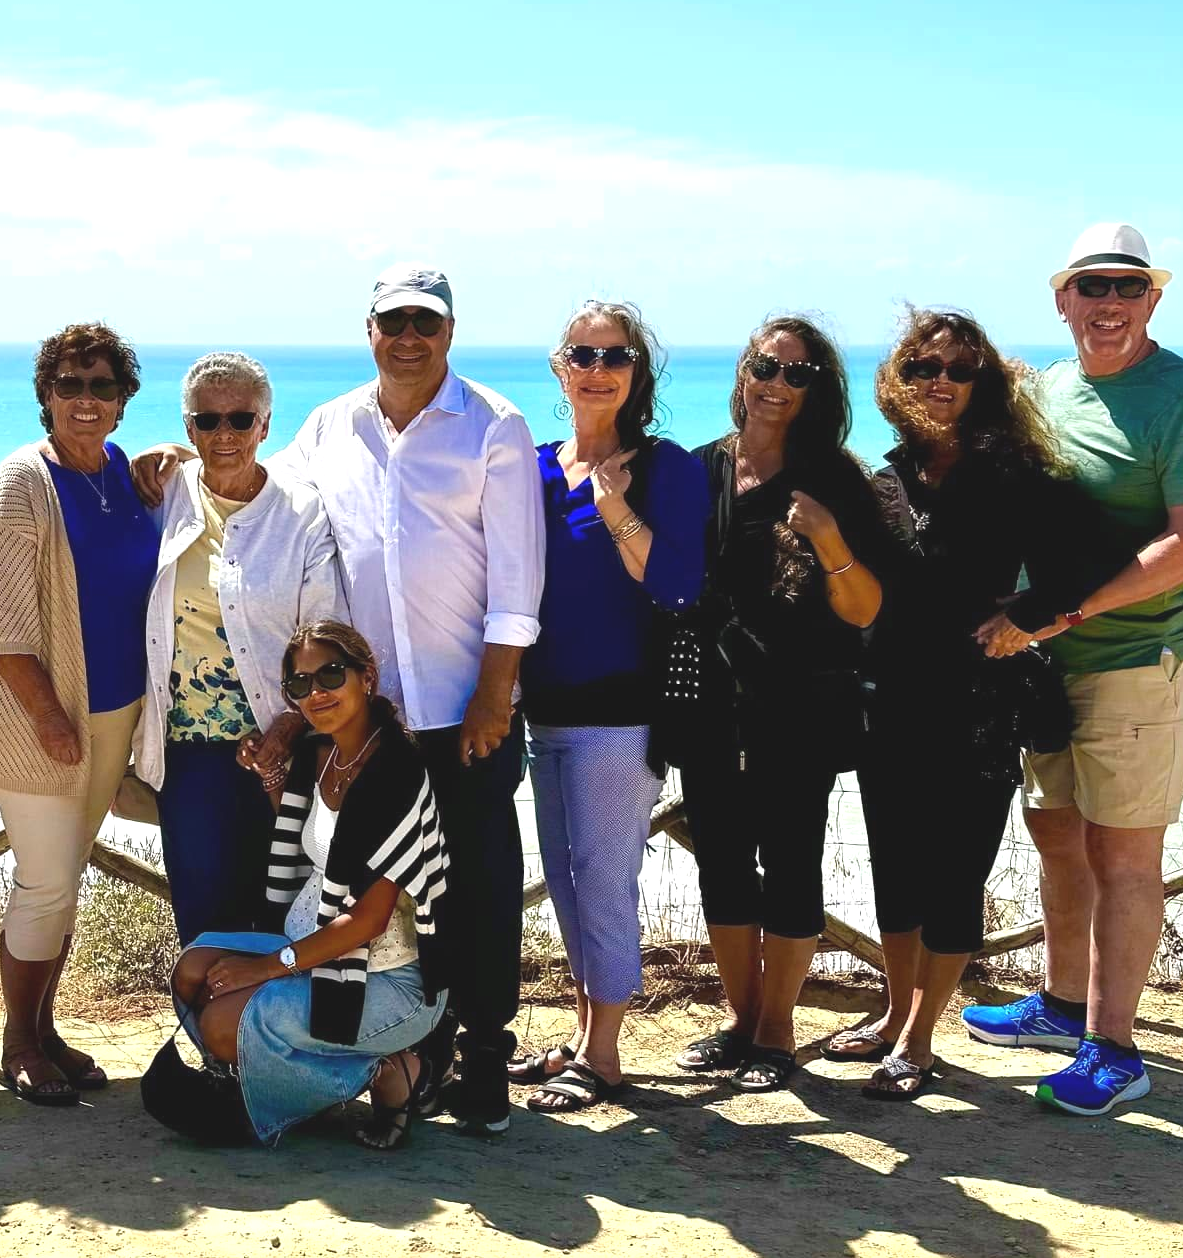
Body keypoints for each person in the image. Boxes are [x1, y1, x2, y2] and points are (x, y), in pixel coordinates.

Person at [134, 264, 543, 1133]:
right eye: (392, 320)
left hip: (462, 711)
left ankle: (483, 1061)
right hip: (358, 721)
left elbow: (518, 580)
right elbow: (251, 482)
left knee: (475, 885)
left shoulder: (495, 426)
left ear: (449, 331)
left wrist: (496, 693)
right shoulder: (328, 426)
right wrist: (180, 459)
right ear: (369, 330)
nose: (408, 337)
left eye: (424, 323)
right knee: (349, 885)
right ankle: (395, 1053)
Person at [960, 224, 1183, 1115]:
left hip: (1142, 653)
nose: (1110, 303)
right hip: (1049, 658)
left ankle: (1116, 1047)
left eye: (1128, 287)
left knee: (1125, 852)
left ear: (1153, 300)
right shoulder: (1048, 389)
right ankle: (1059, 1005)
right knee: (1059, 831)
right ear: (1063, 301)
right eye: (1093, 288)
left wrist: (1063, 611)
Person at [845, 308, 1134, 1100]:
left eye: (959, 368)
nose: (940, 380)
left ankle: (919, 1039)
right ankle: (894, 1012)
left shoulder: (1014, 473)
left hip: (975, 705)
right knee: (896, 873)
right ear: (899, 382)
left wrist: (1031, 617)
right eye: (923, 367)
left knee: (953, 874)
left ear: (985, 384)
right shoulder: (889, 475)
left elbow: (1103, 559)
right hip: (889, 700)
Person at [670, 317, 887, 1094]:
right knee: (723, 864)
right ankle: (740, 1018)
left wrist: (828, 539)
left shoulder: (835, 481)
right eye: (767, 365)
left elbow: (864, 610)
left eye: (799, 374)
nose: (778, 383)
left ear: (818, 391)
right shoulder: (699, 471)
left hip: (801, 705)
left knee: (790, 863)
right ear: (744, 369)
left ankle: (778, 1030)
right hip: (709, 703)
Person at [505, 302, 707, 1113]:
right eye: (582, 354)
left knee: (606, 882)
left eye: (615, 355)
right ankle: (588, 1037)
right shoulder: (529, 466)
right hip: (540, 710)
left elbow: (676, 584)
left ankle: (608, 1056)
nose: (598, 367)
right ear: (560, 368)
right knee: (567, 880)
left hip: (621, 715)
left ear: (636, 373)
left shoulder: (664, 469)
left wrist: (615, 505)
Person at [0, 322, 159, 1105]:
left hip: (114, 714)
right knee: (43, 883)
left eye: (101, 386)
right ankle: (18, 1042)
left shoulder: (120, 472)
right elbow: (1, 631)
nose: (86, 399)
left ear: (121, 402)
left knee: (65, 879)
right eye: (70, 385)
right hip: (39, 719)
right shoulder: (19, 484)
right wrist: (48, 719)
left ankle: (46, 1030)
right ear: (45, 396)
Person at [169, 621, 452, 1149]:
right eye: (299, 685)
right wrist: (272, 775)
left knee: (224, 1025)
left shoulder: (395, 768)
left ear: (366, 677)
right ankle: (266, 1076)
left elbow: (368, 921)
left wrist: (263, 968)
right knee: (192, 972)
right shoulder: (322, 754)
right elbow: (307, 844)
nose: (316, 693)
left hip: (387, 980)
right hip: (313, 949)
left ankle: (390, 1072)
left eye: (330, 675)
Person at [135, 352, 344, 944]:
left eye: (239, 419)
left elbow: (324, 637)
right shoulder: (163, 495)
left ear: (266, 424)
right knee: (202, 920)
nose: (223, 434)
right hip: (188, 753)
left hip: (284, 746)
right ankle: (212, 1035)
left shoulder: (301, 512)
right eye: (206, 421)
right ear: (187, 428)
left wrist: (286, 730)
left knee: (284, 916)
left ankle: (269, 1035)